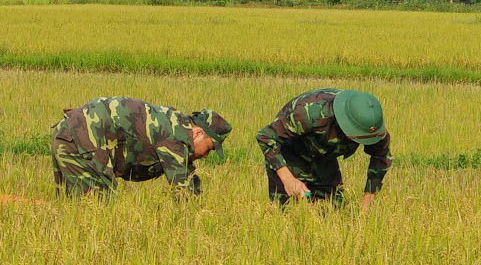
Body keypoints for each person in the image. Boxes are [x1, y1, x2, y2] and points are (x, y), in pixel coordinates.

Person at [50, 97, 230, 197]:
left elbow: (187, 175)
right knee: (98, 205)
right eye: (209, 148)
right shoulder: (175, 137)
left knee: (71, 205)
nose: (206, 156)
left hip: (66, 133)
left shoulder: (175, 124)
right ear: (198, 133)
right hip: (80, 139)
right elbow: (183, 194)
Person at [256, 88, 390, 212]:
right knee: (287, 212)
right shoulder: (308, 113)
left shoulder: (372, 126)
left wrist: (366, 204)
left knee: (334, 211)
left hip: (325, 159)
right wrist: (288, 180)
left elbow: (381, 156)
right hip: (289, 154)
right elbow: (266, 137)